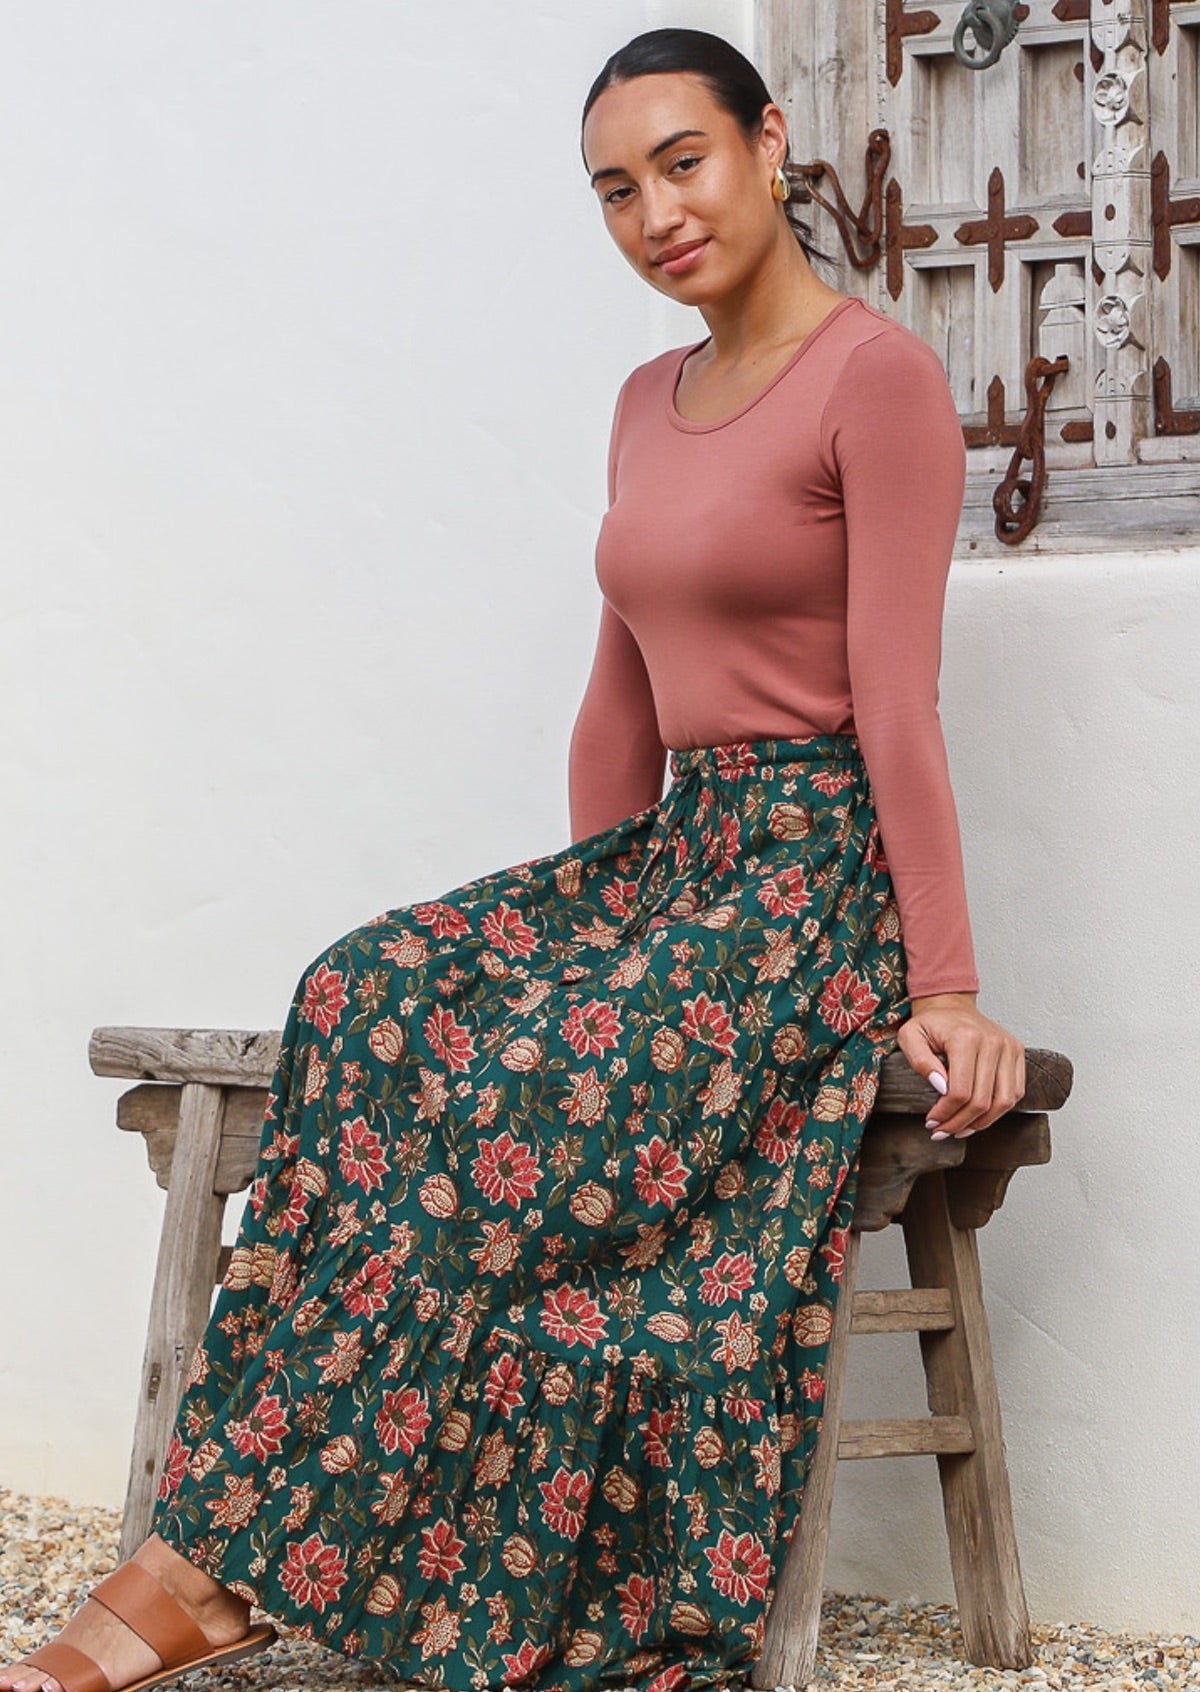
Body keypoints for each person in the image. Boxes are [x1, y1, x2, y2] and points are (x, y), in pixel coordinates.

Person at [1, 25, 1026, 1692]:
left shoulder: (877, 377)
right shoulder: (646, 401)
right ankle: (271, 1534)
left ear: (771, 145)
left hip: (809, 881)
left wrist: (951, 979)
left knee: (520, 1102)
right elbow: (617, 696)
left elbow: (900, 707)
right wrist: (592, 939)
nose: (655, 214)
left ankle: (212, 1571)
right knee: (369, 985)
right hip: (676, 861)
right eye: (614, 191)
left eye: (682, 164)